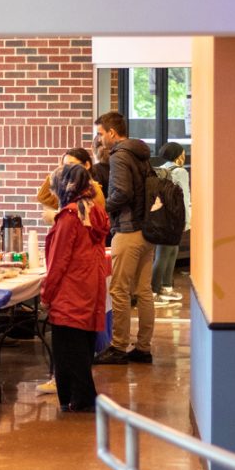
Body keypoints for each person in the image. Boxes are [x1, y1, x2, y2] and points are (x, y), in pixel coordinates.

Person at [40, 164, 110, 412]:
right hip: (90, 287)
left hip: (69, 292)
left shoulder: (69, 217)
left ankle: (79, 400)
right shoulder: (94, 211)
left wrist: (46, 294)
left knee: (68, 351)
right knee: (83, 348)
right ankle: (80, 398)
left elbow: (59, 262)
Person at [93, 111, 155, 365]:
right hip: (148, 231)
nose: (99, 139)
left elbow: (122, 192)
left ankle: (118, 346)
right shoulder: (141, 154)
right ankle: (143, 347)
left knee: (119, 290)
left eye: (100, 133)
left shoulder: (119, 155)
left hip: (128, 230)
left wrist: (102, 208)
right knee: (143, 291)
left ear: (112, 133)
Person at [152, 142, 191, 306]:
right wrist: (187, 221)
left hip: (161, 217)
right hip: (175, 218)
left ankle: (164, 288)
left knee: (166, 252)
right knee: (167, 253)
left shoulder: (159, 170)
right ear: (177, 155)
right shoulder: (180, 171)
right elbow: (184, 198)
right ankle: (156, 290)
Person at [36, 148, 106, 225]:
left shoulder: (93, 190)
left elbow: (87, 223)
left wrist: (55, 218)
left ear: (87, 165)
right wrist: (58, 171)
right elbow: (43, 197)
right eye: (65, 166)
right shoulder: (72, 190)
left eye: (72, 165)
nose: (67, 170)